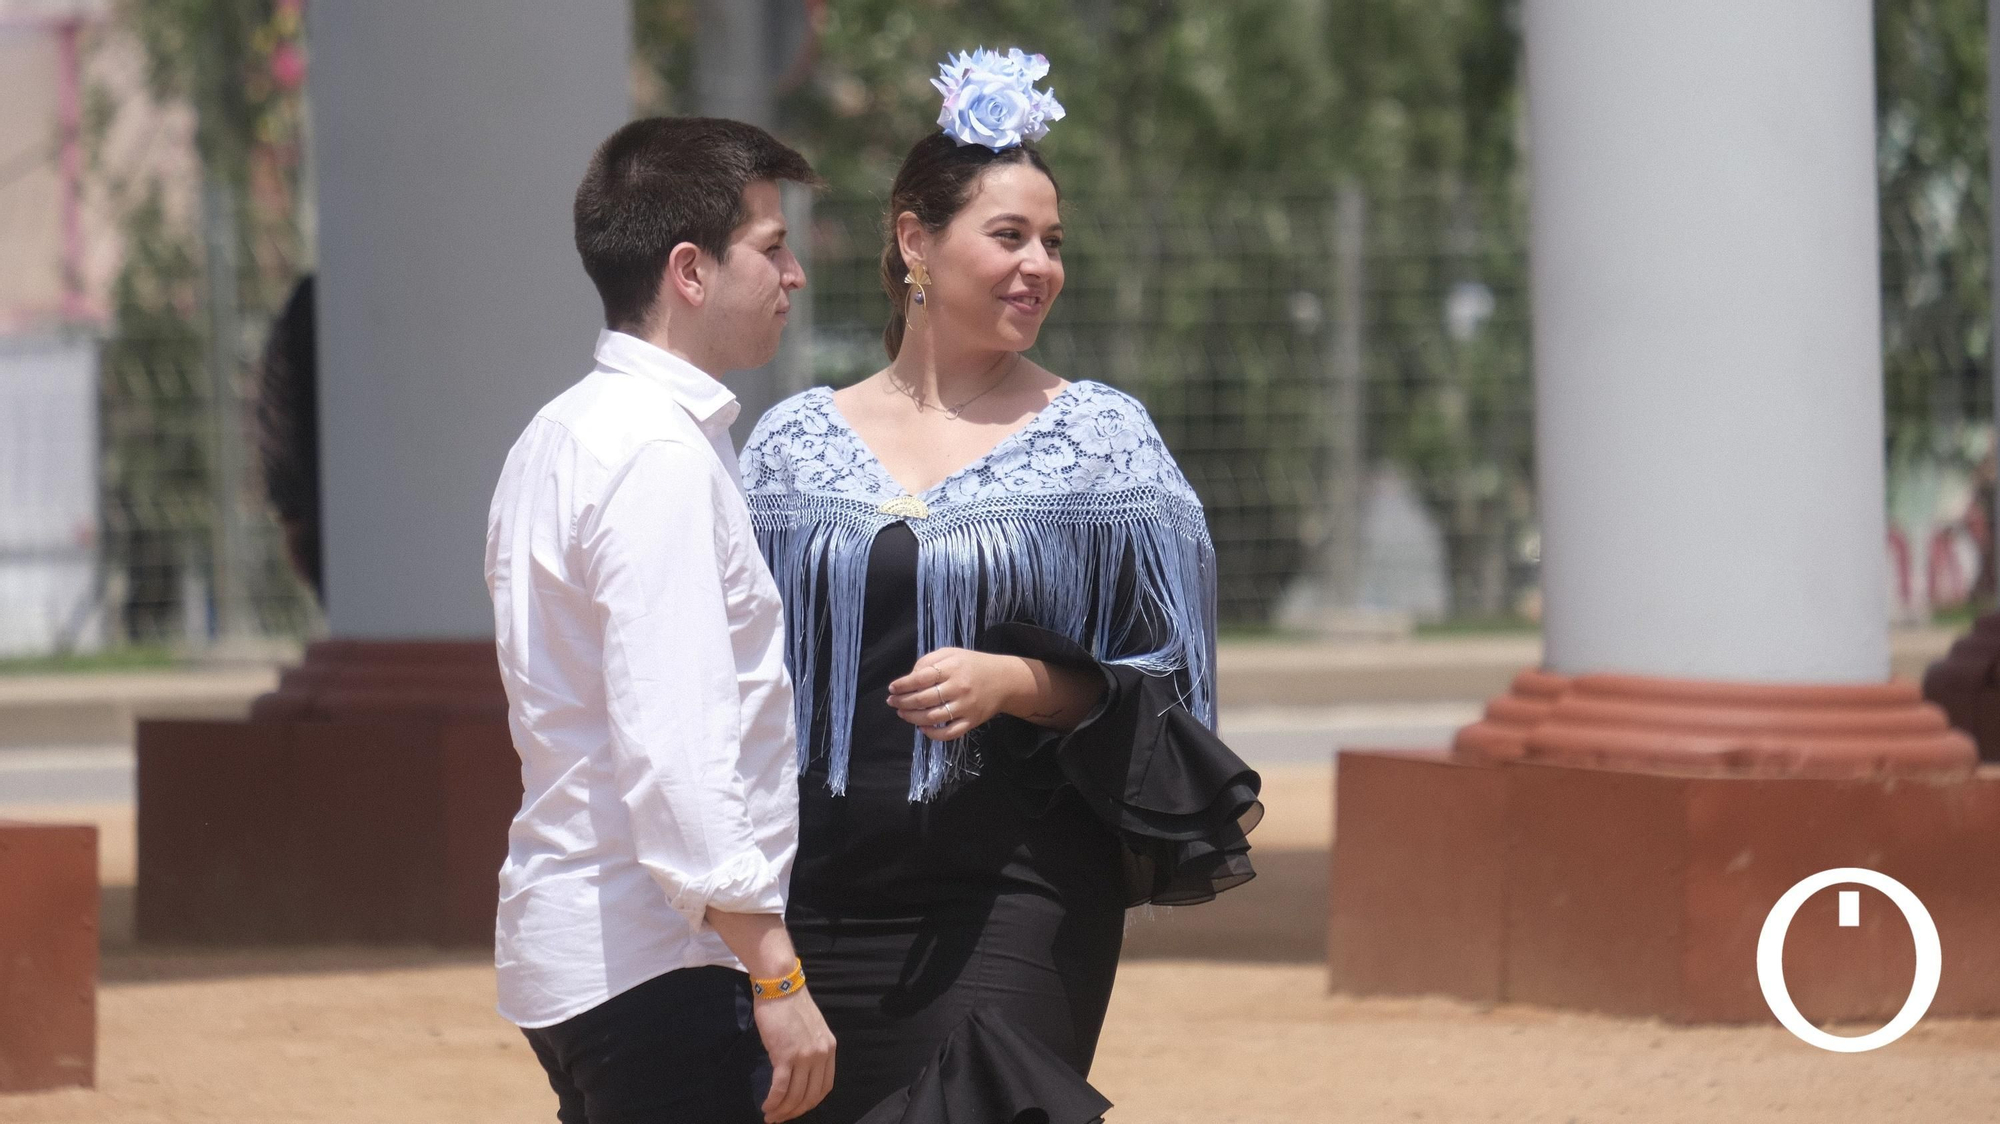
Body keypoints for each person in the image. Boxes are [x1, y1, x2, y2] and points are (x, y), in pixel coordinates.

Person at [740, 50, 1263, 1124]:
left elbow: (1168, 687)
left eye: (1052, 242)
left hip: (1018, 887)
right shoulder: (789, 444)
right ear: (913, 240)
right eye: (1009, 235)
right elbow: (732, 668)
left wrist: (1021, 679)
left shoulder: (1105, 441)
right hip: (819, 891)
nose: (1038, 266)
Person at [485, 117, 835, 1124]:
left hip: (586, 951)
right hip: (662, 962)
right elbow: (673, 745)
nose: (793, 274)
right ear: (689, 269)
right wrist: (775, 971)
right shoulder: (655, 454)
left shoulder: (561, 432)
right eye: (771, 247)